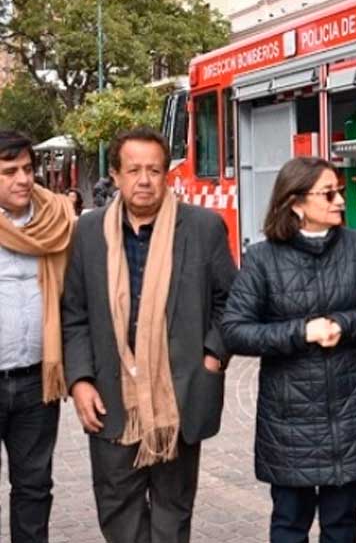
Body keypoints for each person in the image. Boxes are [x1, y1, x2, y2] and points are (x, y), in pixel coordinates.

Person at [61, 127, 236, 543]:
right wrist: (80, 379)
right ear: (116, 176)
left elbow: (233, 304)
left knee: (173, 515)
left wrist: (211, 358)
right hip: (110, 397)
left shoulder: (203, 228)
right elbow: (75, 313)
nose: (144, 180)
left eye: (154, 170)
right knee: (118, 511)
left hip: (178, 397)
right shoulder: (89, 233)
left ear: (167, 175)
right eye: (134, 170)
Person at [221, 156, 356, 543]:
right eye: (329, 193)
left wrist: (344, 325)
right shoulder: (262, 259)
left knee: (341, 524)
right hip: (289, 420)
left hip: (351, 414)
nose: (340, 200)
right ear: (296, 203)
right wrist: (301, 332)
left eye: (338, 190)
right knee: (289, 523)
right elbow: (235, 330)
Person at [0, 130, 75, 542]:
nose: (23, 179)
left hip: (36, 380)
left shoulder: (58, 220)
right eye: (9, 171)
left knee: (33, 487)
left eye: (28, 169)